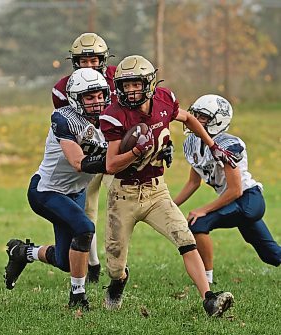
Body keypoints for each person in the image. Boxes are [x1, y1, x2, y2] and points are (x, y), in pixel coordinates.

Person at [99, 55, 239, 316]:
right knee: (115, 264)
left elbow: (187, 118)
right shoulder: (114, 115)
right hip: (123, 195)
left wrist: (212, 145)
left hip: (156, 191)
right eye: (125, 85)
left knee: (185, 239)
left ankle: (208, 298)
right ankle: (118, 283)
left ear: (149, 83)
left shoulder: (164, 99)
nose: (130, 90)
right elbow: (110, 165)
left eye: (136, 84)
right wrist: (136, 153)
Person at [5, 67, 110, 309]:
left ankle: (23, 252)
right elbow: (77, 163)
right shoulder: (64, 118)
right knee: (85, 228)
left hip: (75, 193)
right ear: (75, 98)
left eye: (100, 96)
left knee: (65, 260)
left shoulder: (110, 119)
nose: (97, 102)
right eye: (89, 97)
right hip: (47, 191)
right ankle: (77, 296)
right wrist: (122, 157)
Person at [173, 94, 281, 284]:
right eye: (195, 115)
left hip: (249, 200)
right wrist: (170, 205)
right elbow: (193, 183)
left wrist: (203, 209)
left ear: (218, 120)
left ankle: (206, 279)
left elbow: (236, 190)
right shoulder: (193, 143)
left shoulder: (228, 145)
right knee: (272, 256)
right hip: (235, 201)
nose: (196, 120)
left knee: (198, 223)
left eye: (202, 117)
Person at [51, 32, 116, 283]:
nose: (89, 65)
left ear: (104, 59)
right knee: (88, 208)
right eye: (83, 60)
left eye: (94, 60)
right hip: (88, 154)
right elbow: (70, 128)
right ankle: (93, 262)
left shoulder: (117, 79)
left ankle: (117, 263)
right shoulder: (62, 90)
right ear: (74, 61)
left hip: (116, 151)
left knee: (116, 202)